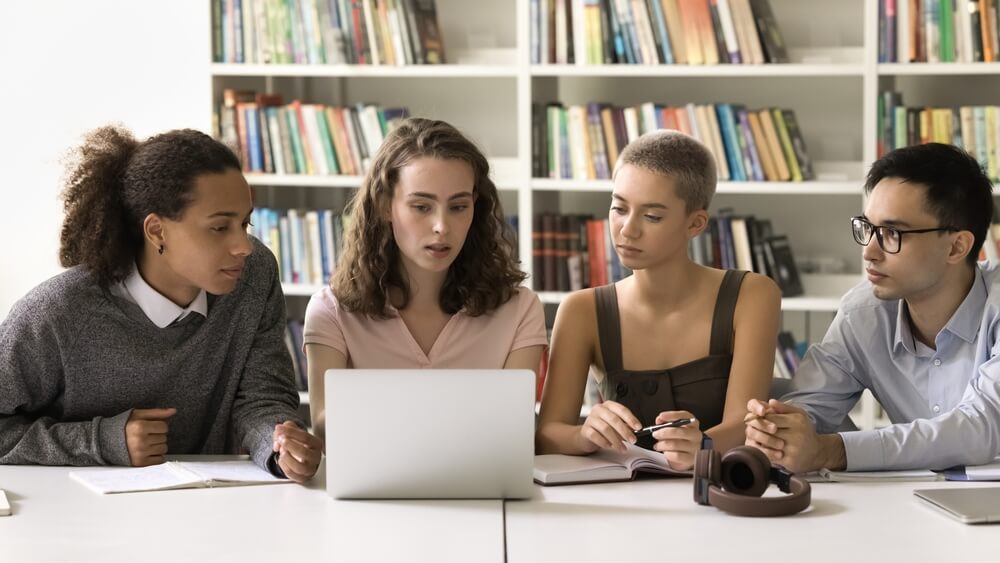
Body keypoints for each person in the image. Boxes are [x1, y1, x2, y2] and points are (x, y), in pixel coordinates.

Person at [0, 126, 322, 483]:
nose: (243, 245)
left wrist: (279, 446)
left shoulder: (254, 275)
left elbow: (262, 399)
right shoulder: (56, 314)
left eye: (244, 222)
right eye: (220, 228)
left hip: (211, 513)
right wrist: (101, 441)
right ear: (156, 231)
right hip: (80, 521)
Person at [745, 142, 1000, 473]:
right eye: (868, 228)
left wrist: (832, 451)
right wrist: (780, 429)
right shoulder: (863, 313)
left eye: (892, 233)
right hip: (917, 503)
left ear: (957, 246)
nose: (869, 252)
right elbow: (811, 402)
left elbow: (981, 427)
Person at [535, 130, 781, 470]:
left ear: (695, 223)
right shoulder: (581, 310)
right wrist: (585, 434)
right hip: (621, 503)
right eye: (619, 208)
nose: (627, 229)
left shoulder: (752, 295)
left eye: (651, 216)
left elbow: (746, 424)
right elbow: (547, 434)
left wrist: (704, 444)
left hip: (717, 495)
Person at [303, 118, 547, 437]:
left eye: (458, 207)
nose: (441, 226)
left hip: (483, 486)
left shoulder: (519, 310)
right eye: (421, 206)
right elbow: (325, 433)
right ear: (384, 206)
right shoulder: (331, 312)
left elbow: (514, 429)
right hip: (374, 485)